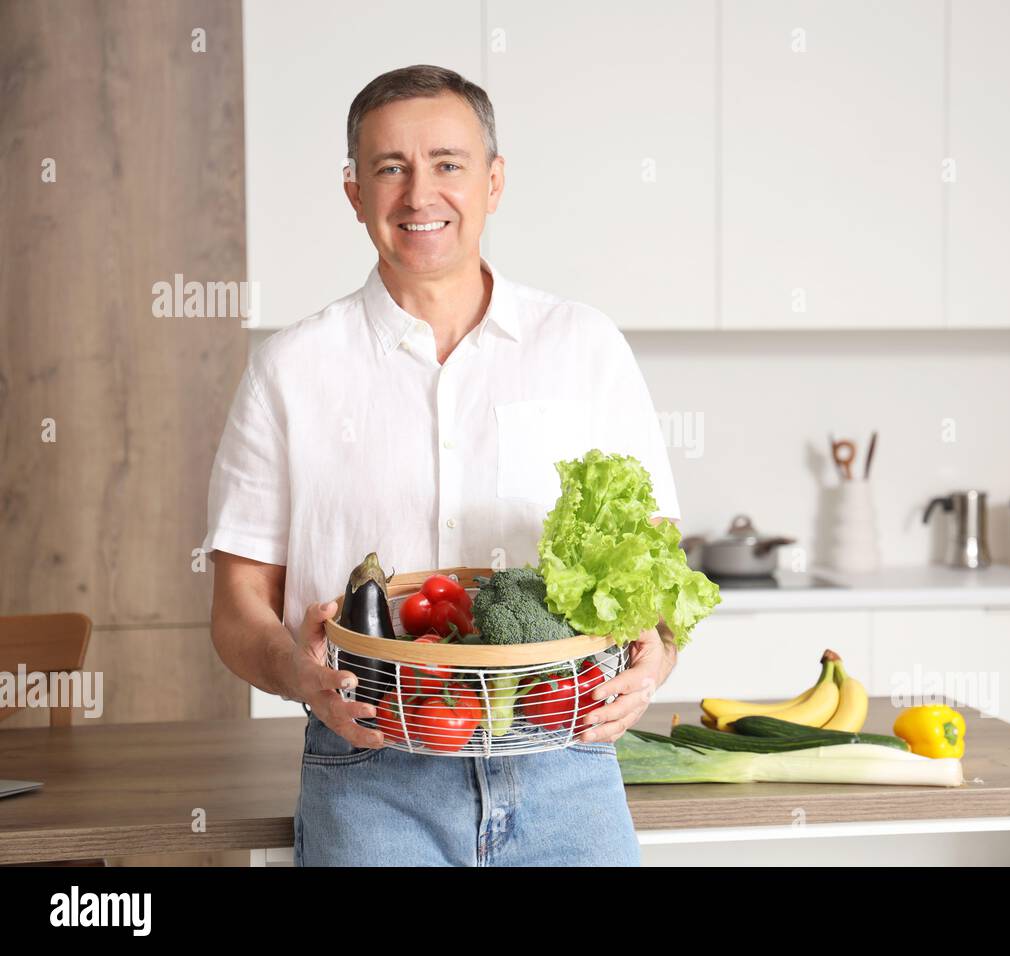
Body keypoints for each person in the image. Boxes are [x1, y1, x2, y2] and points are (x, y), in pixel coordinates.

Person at [203, 65, 681, 866]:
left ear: (494, 182)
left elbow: (658, 559)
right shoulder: (291, 369)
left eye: (448, 164)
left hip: (565, 767)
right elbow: (236, 604)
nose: (420, 194)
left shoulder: (583, 346)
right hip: (372, 776)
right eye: (391, 167)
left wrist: (657, 656)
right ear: (354, 193)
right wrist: (297, 669)